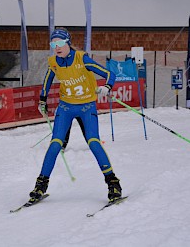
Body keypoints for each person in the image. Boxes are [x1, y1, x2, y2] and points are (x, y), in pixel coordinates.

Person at [28, 28, 122, 203]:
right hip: (66, 107)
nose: (56, 47)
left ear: (68, 43)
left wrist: (107, 87)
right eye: (53, 44)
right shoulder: (54, 62)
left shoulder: (81, 58)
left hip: (87, 107)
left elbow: (110, 74)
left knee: (93, 142)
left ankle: (113, 183)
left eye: (60, 43)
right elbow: (47, 81)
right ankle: (40, 185)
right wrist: (42, 100)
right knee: (55, 144)